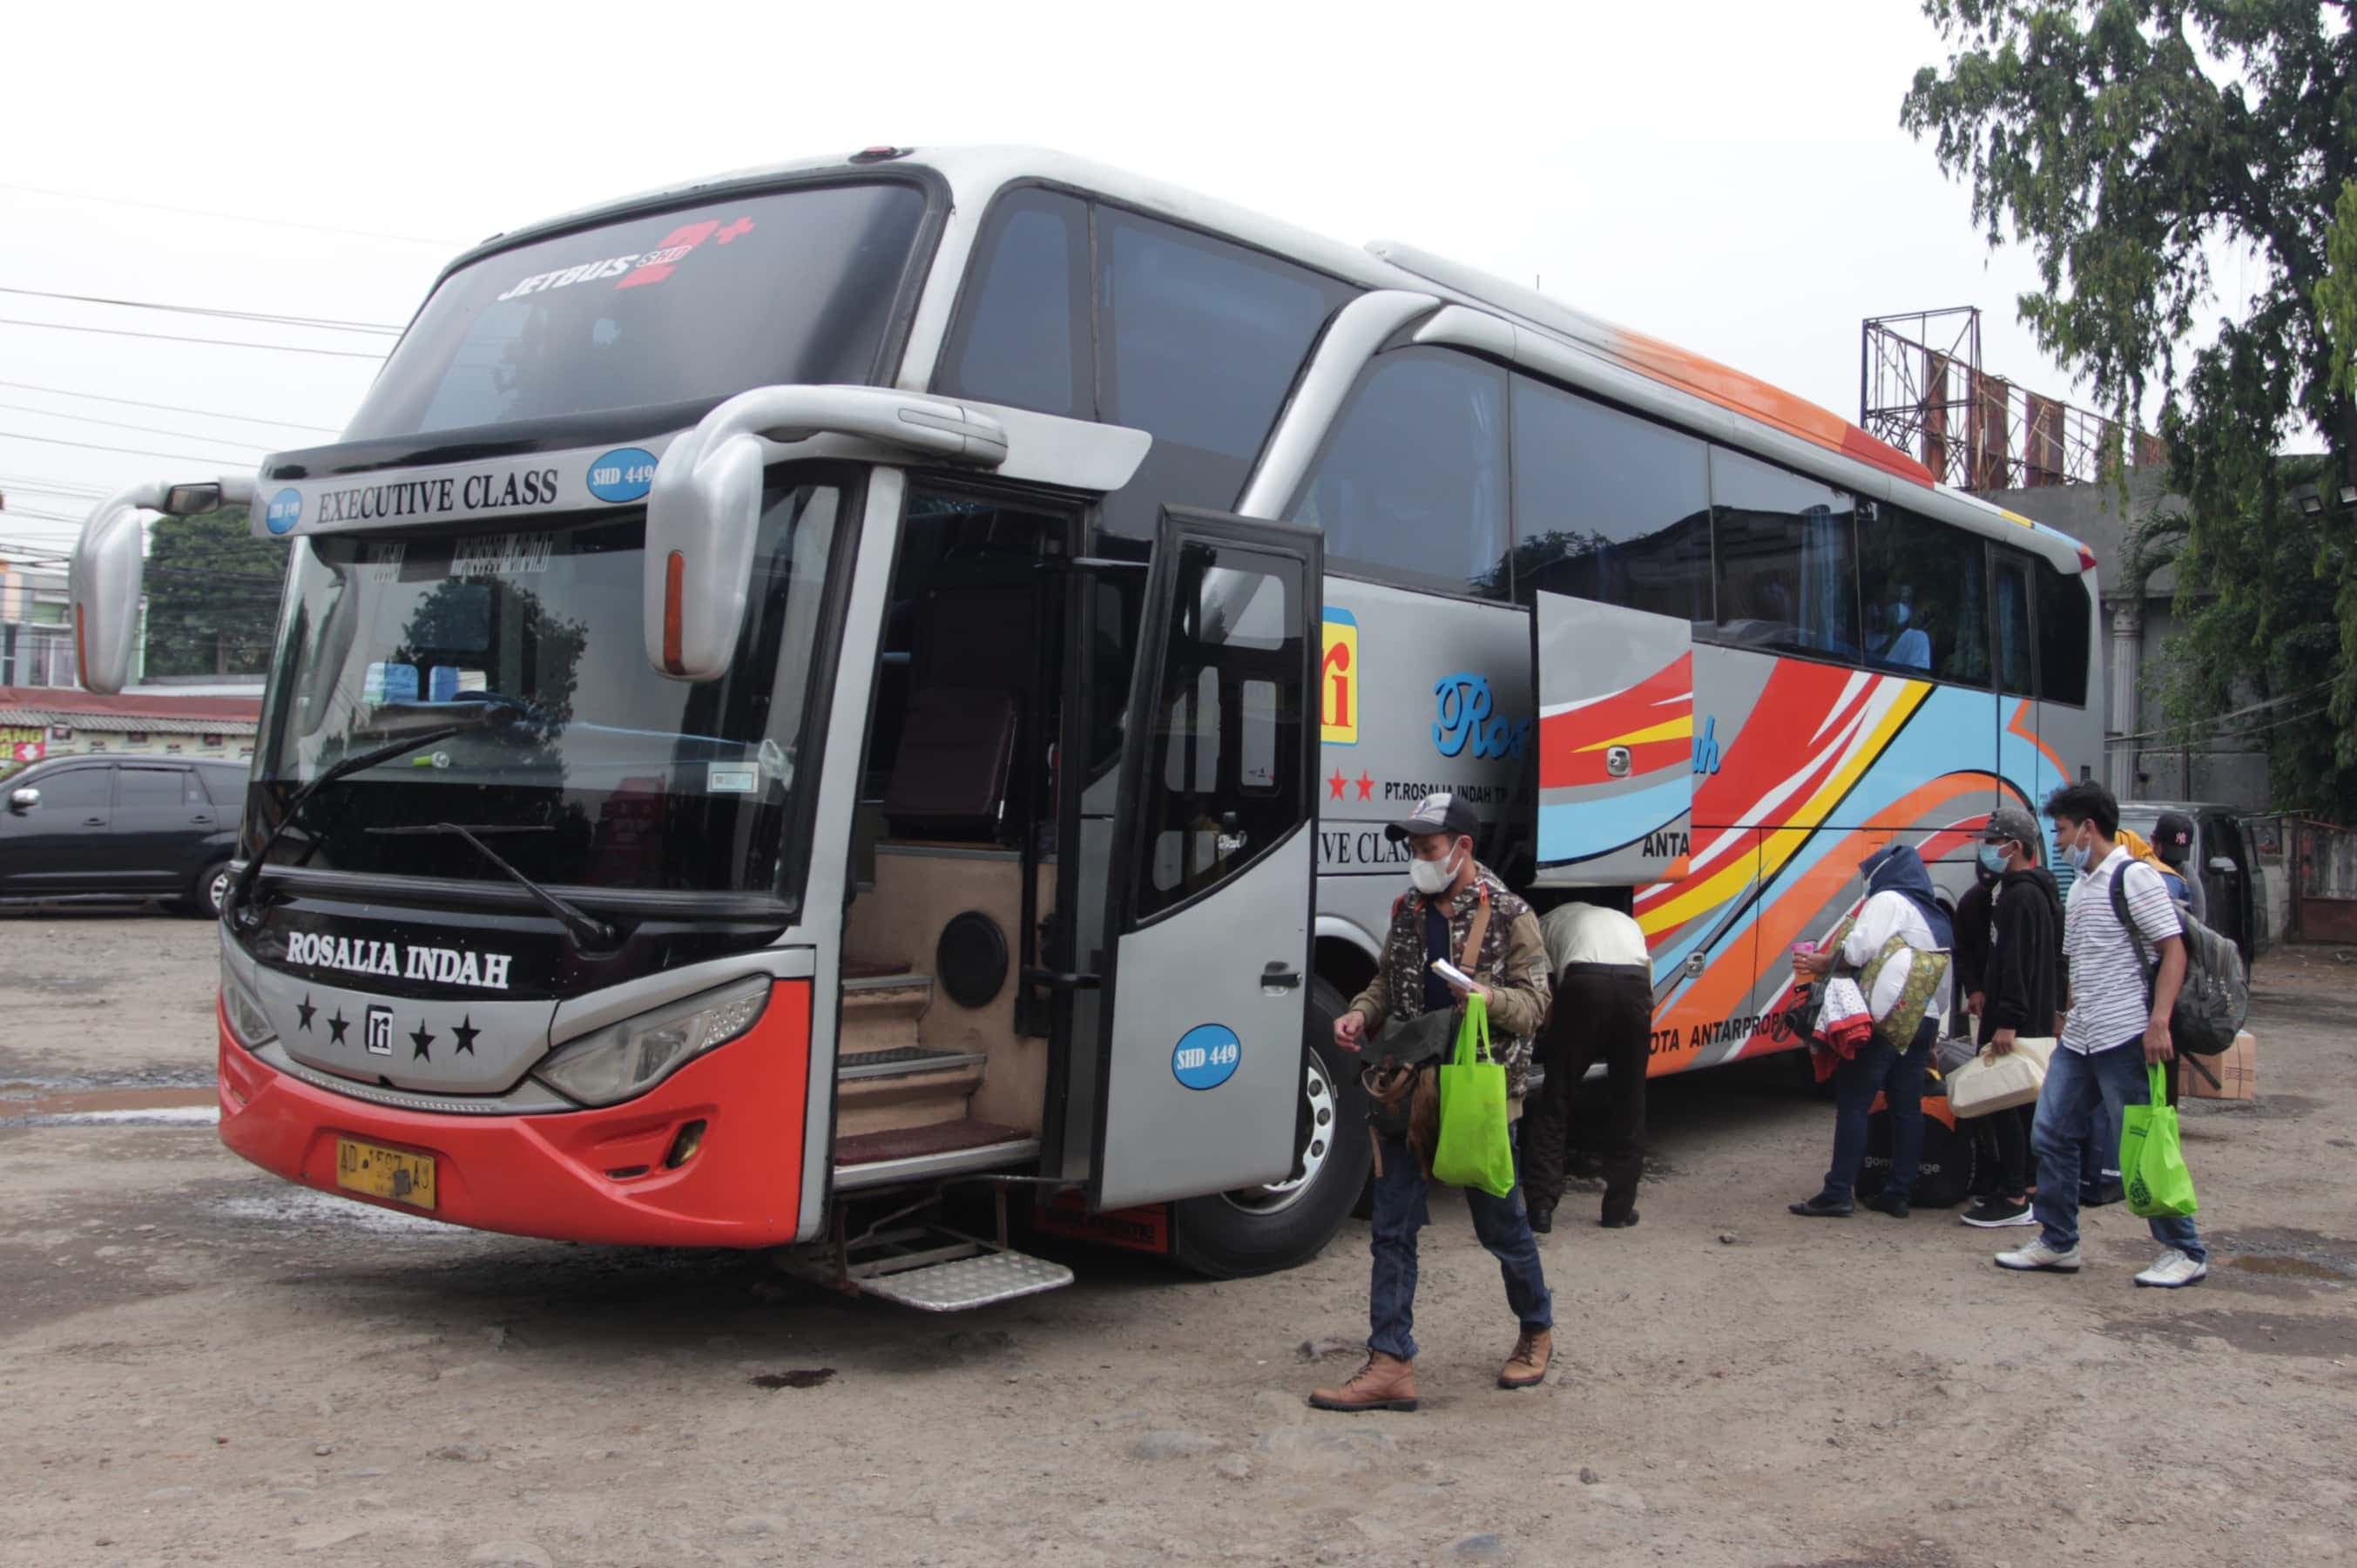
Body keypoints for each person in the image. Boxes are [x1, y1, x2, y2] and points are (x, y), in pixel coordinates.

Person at [1314, 792, 1556, 1411]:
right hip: (1407, 1092)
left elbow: (1535, 1010)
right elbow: (1385, 985)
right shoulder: (1409, 910)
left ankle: (1535, 1331)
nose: (1419, 861)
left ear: (1462, 848)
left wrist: (1485, 999)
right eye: (1415, 850)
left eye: (1428, 849)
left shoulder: (1510, 914)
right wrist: (1359, 1015)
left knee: (1502, 1227)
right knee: (1392, 1229)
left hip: (1478, 1099)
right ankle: (1390, 1361)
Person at [1996, 781, 2208, 1288]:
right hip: (2084, 1036)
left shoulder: (2132, 878)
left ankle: (2184, 1248)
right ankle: (2058, 1240)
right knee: (2051, 1131)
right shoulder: (2084, 882)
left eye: (2064, 829)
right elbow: (2082, 962)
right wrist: (2066, 1016)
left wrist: (2158, 1022)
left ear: (2089, 827)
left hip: (2127, 1034)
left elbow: (2173, 949)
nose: (2060, 839)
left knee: (2143, 1145)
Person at [1787, 841, 1953, 1219]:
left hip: (1886, 1016)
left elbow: (1859, 950)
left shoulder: (1890, 899)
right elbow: (1942, 984)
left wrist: (1822, 961)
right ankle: (1898, 1193)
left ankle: (1838, 1191)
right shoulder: (1933, 914)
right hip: (1922, 1019)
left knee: (1854, 1101)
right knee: (1906, 1105)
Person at [1958, 808, 2066, 1228]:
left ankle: (2014, 1195)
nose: (1987, 851)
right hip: (2035, 1018)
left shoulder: (2019, 898)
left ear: (2015, 847)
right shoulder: (2039, 894)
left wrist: (2008, 1022)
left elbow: (2014, 965)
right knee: (2025, 1103)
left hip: (2015, 1021)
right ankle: (2031, 1187)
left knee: (2005, 1102)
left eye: (1993, 842)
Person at [1523, 900, 1652, 1233]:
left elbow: (1546, 992)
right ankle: (1618, 1210)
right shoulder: (1623, 920)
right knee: (1630, 1101)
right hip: (1635, 983)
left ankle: (1541, 1208)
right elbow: (1647, 978)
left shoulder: (1541, 924)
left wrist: (1545, 1043)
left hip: (1584, 983)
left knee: (1557, 1097)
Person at [2151, 810, 2208, 925]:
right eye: (2170, 853)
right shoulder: (2141, 867)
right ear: (2154, 841)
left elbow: (2198, 920)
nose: (2174, 862)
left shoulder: (2184, 870)